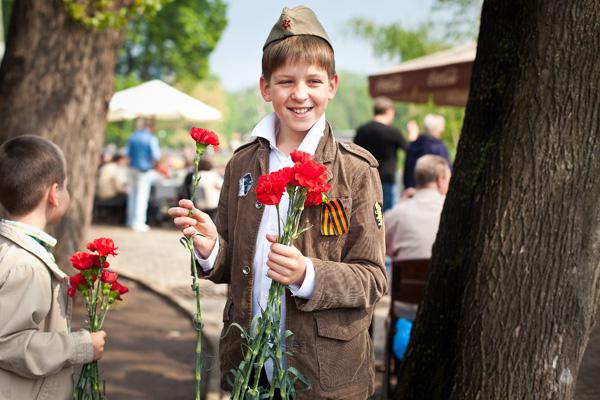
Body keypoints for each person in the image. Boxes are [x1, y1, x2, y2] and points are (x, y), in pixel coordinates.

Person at [168, 6, 387, 399]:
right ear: (266, 88)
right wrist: (210, 248)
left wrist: (309, 274)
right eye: (285, 81)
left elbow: (372, 278)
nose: (300, 94)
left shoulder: (355, 170)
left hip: (322, 378)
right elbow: (232, 266)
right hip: (249, 369)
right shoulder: (241, 164)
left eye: (313, 81)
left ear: (332, 85)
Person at [0, 135, 106, 400]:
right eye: (66, 186)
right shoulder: (27, 266)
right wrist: (79, 346)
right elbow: (9, 343)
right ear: (54, 194)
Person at [385, 155, 451, 262]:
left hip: (406, 277)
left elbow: (380, 246)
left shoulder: (397, 213)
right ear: (440, 180)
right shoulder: (451, 211)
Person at [354, 96, 409, 212]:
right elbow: (409, 149)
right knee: (387, 217)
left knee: (367, 215)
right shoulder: (392, 132)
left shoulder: (362, 130)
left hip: (365, 180)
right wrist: (413, 136)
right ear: (389, 111)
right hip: (386, 179)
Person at [125, 118, 161, 232]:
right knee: (142, 197)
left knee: (132, 196)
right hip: (144, 170)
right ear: (149, 127)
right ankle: (139, 223)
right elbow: (156, 155)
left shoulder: (133, 136)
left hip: (132, 168)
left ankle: (130, 221)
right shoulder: (151, 138)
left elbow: (127, 154)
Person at [402, 113, 451, 192]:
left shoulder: (413, 145)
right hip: (433, 191)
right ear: (439, 130)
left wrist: (409, 187)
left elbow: (407, 168)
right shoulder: (439, 148)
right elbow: (446, 171)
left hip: (412, 190)